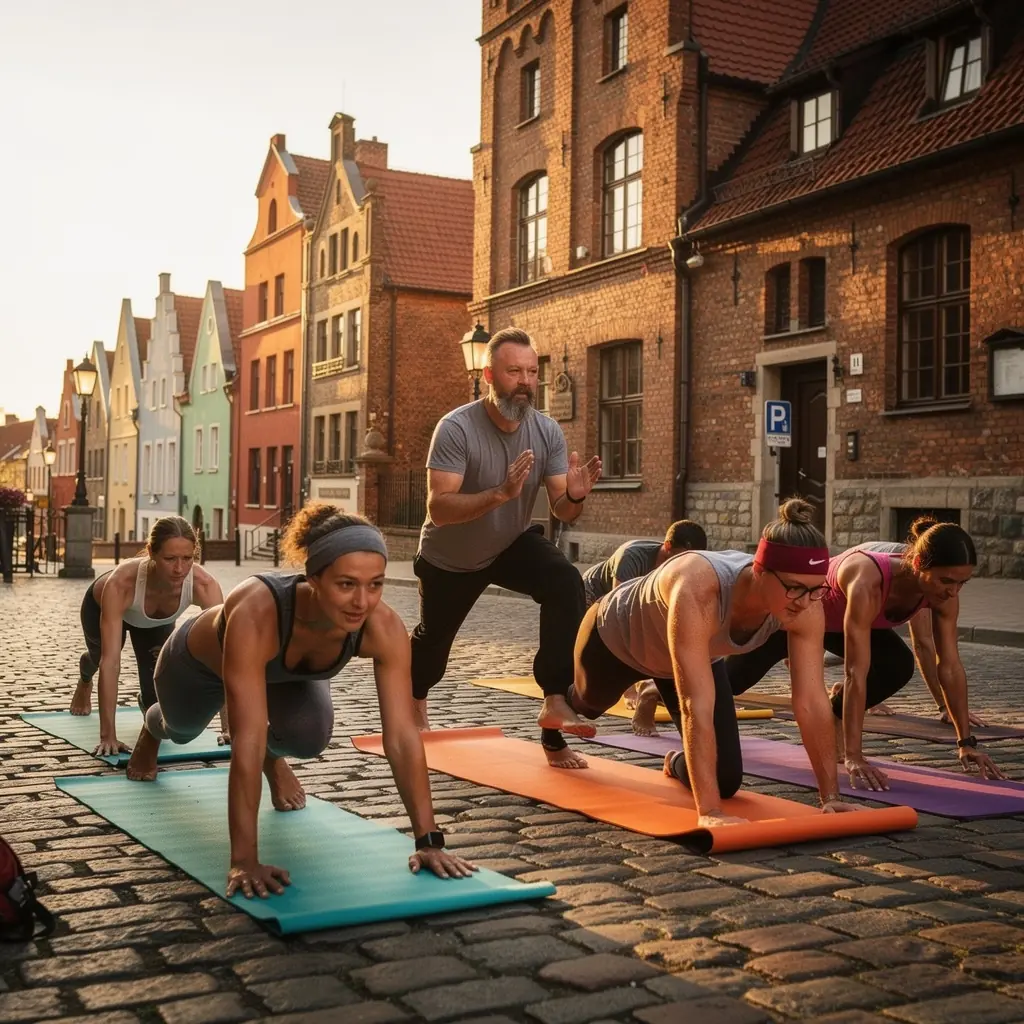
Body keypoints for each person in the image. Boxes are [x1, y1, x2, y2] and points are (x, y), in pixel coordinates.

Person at [127, 506, 476, 898]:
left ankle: (273, 761)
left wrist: (428, 840)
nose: (362, 601)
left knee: (309, 736)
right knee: (183, 731)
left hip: (281, 676)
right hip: (195, 665)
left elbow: (401, 736)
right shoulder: (258, 611)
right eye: (346, 584)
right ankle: (150, 727)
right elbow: (246, 739)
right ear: (313, 578)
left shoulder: (383, 627)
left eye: (375, 584)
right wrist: (244, 860)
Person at [566, 499, 856, 826]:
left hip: (685, 653)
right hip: (614, 640)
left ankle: (679, 762)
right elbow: (695, 705)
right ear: (759, 570)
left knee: (725, 780)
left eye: (816, 591)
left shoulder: (806, 605)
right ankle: (555, 701)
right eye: (794, 589)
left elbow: (812, 702)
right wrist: (709, 813)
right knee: (586, 705)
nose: (805, 602)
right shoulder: (701, 587)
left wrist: (830, 798)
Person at [411, 327, 602, 769]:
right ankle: (415, 703)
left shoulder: (547, 431)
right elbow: (439, 509)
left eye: (533, 371)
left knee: (564, 581)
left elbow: (563, 511)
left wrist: (574, 495)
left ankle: (555, 705)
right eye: (514, 371)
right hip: (451, 557)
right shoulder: (456, 428)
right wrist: (500, 494)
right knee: (433, 645)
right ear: (489, 375)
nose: (525, 381)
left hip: (509, 544)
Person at [727, 519, 1005, 790]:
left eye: (962, 583)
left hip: (835, 625)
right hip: (791, 619)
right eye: (946, 581)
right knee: (729, 683)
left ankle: (836, 713)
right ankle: (684, 703)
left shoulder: (943, 596)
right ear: (919, 564)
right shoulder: (868, 579)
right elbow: (855, 672)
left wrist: (966, 743)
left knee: (897, 665)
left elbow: (950, 666)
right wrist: (854, 756)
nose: (953, 591)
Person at [70, 515, 223, 757]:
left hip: (153, 623)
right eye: (170, 559)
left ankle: (145, 700)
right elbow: (111, 663)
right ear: (151, 552)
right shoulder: (122, 583)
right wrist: (108, 736)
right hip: (103, 606)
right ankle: (84, 676)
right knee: (100, 656)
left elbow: (223, 655)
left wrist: (228, 728)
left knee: (158, 696)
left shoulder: (204, 585)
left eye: (187, 559)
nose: (179, 569)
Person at [582, 521, 708, 735]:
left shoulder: (686, 567)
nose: (685, 564)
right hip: (592, 597)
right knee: (591, 660)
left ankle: (651, 689)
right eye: (681, 557)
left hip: (636, 602)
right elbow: (617, 613)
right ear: (667, 546)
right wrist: (627, 689)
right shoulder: (633, 556)